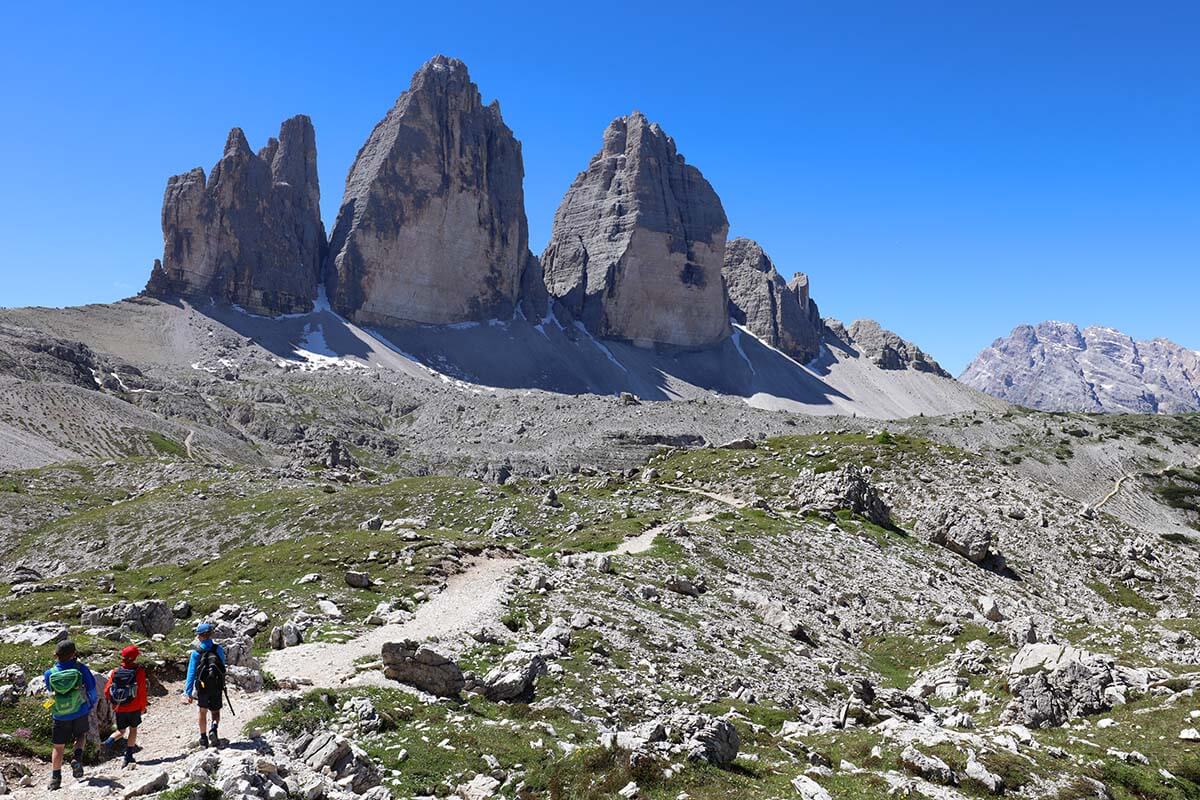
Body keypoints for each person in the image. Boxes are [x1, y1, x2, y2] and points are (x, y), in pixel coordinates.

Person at [43, 639, 97, 791]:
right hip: (80, 710)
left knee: (58, 746)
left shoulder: (50, 673)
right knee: (80, 735)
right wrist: (90, 705)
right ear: (74, 654)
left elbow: (51, 692)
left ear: (56, 655)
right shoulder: (81, 669)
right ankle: (77, 758)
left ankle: (55, 778)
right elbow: (92, 689)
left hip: (60, 715)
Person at [101, 645, 148, 766]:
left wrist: (113, 703)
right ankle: (128, 756)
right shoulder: (139, 671)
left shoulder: (116, 672)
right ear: (135, 658)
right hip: (134, 707)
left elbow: (107, 690)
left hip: (119, 707)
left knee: (121, 731)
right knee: (133, 729)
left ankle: (107, 742)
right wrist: (143, 707)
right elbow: (142, 691)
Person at [182, 622, 226, 749]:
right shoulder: (218, 649)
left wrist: (187, 693)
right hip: (216, 685)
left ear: (199, 636)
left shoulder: (196, 653)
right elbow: (222, 667)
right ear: (211, 634)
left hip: (202, 686)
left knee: (202, 711)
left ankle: (203, 739)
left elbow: (190, 674)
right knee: (215, 712)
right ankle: (214, 728)